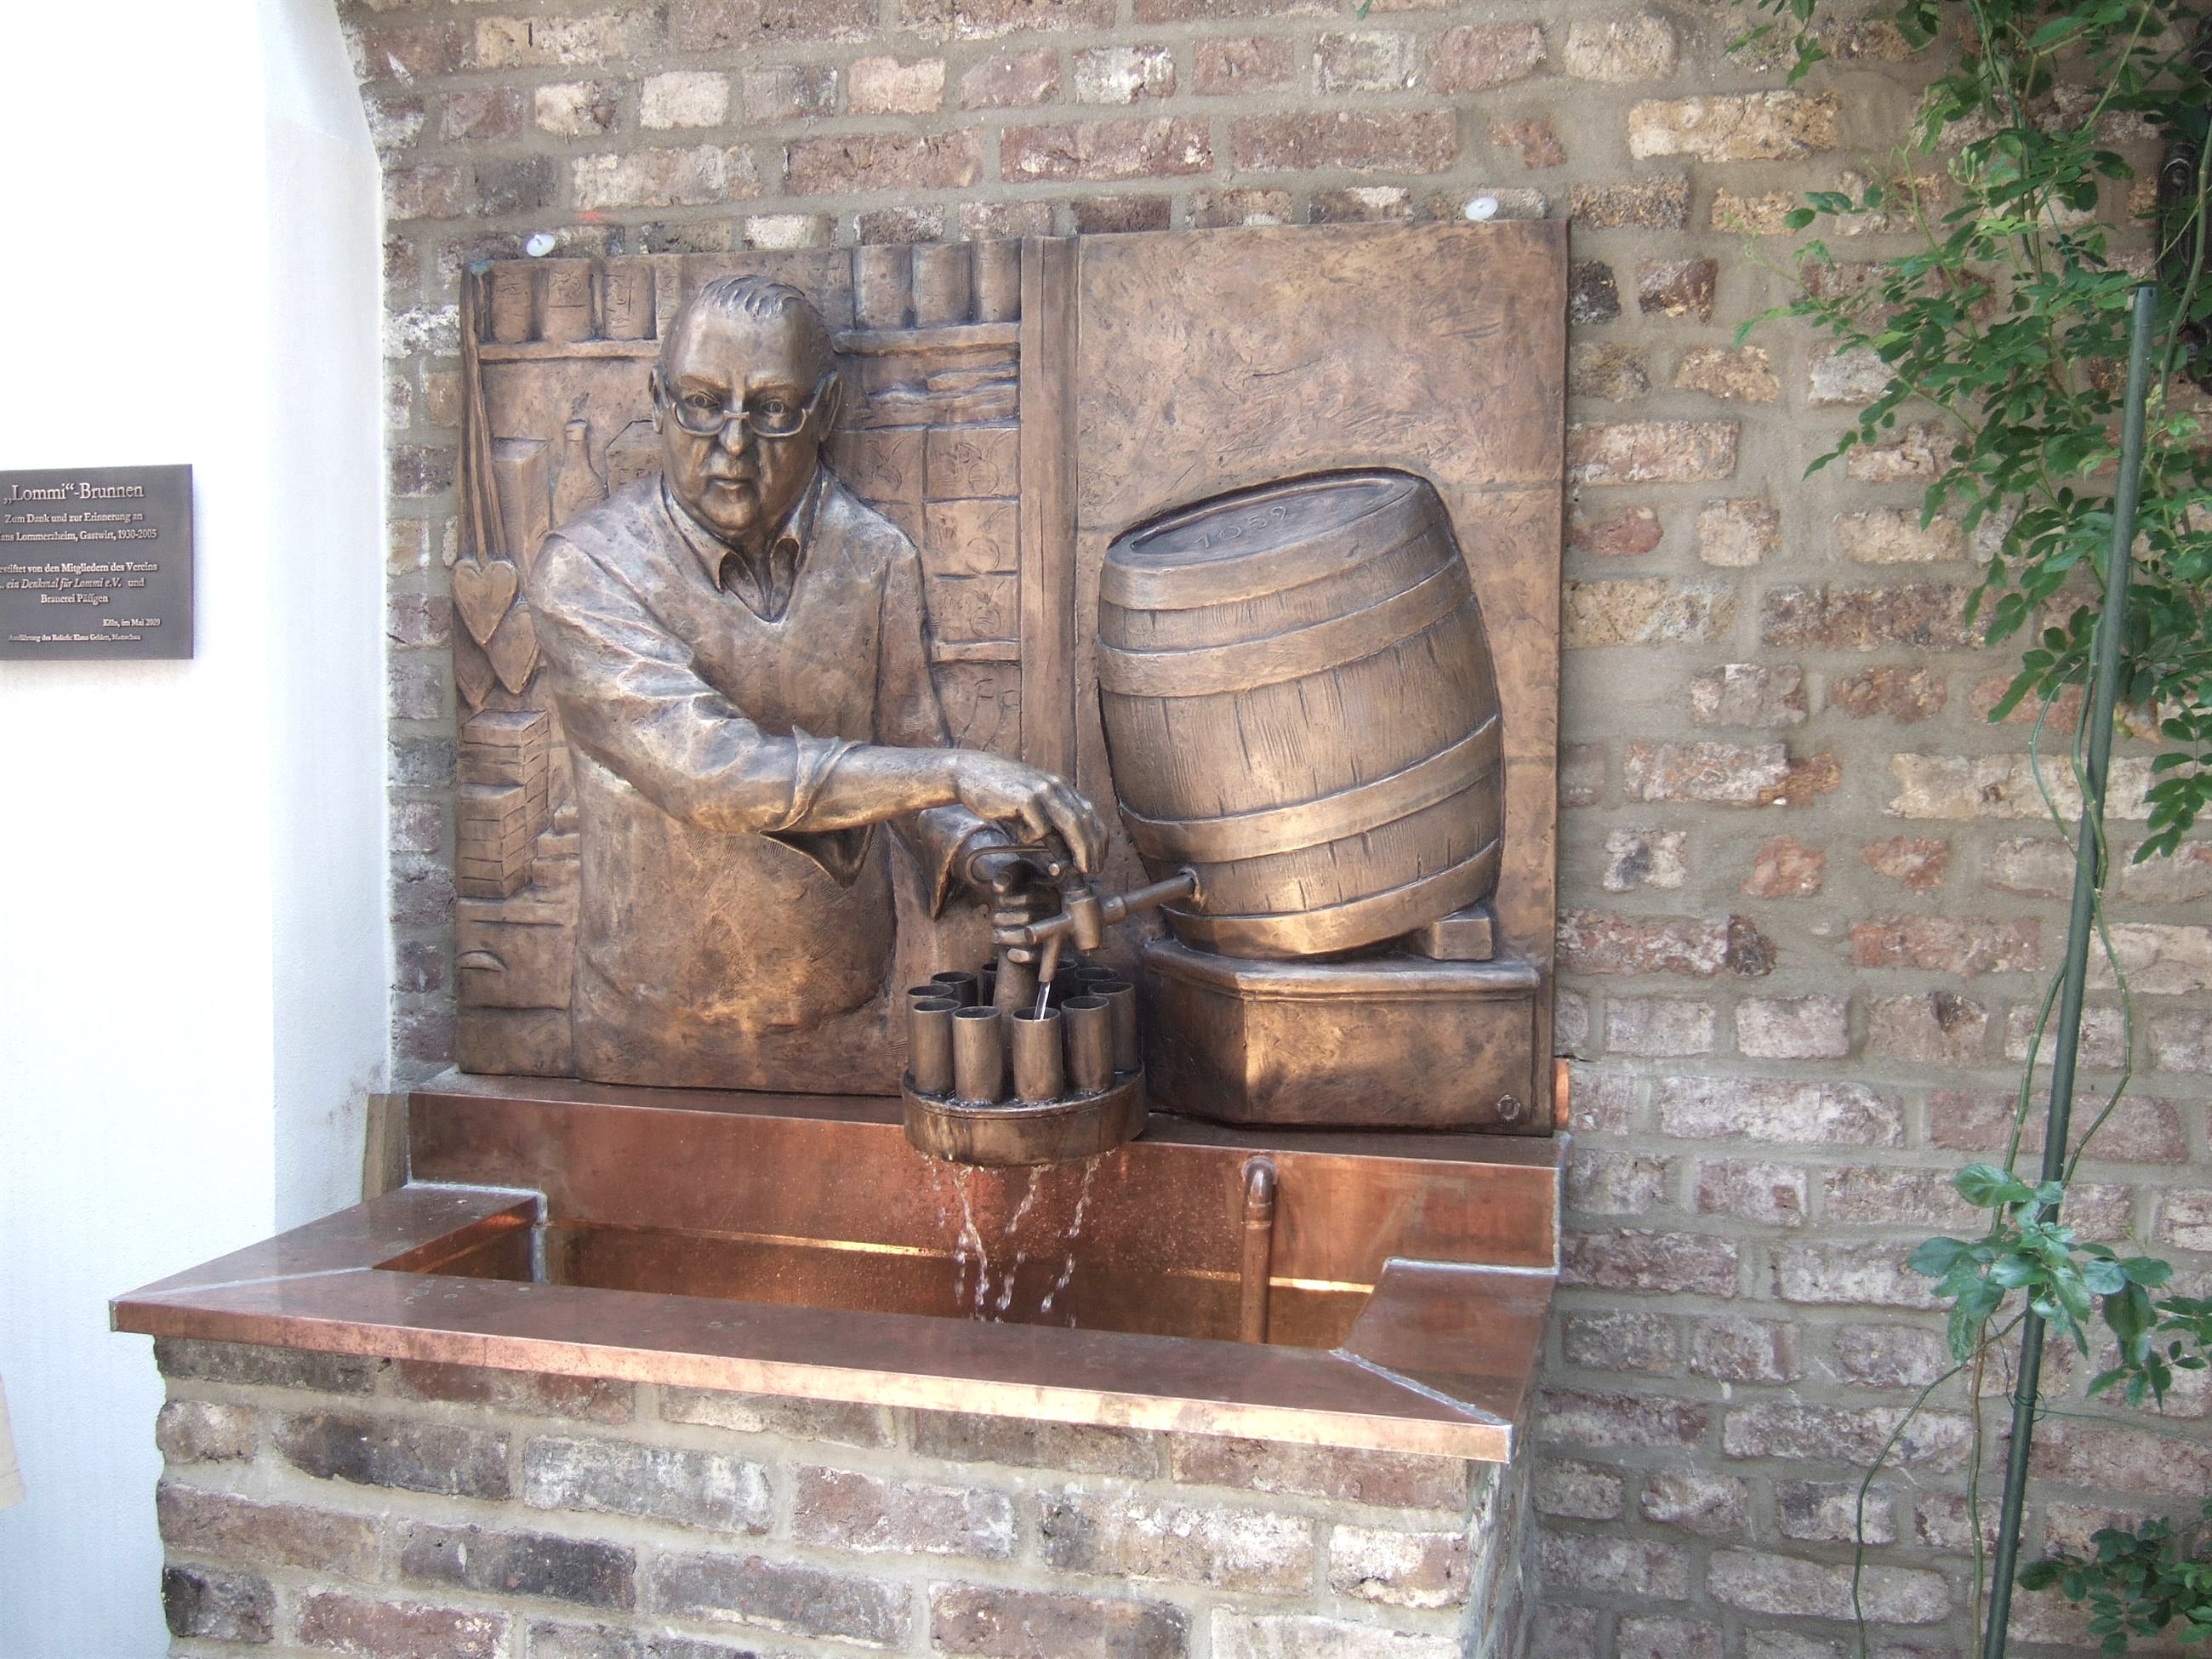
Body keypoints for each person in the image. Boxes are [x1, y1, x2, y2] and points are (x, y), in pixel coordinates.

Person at [525, 275, 1103, 1092]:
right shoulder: (588, 572)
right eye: (702, 404)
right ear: (657, 400)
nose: (732, 444)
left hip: (851, 1014)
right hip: (656, 1027)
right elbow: (707, 771)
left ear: (825, 411)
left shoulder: (875, 556)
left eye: (772, 410)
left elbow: (909, 763)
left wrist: (988, 860)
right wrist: (958, 774)